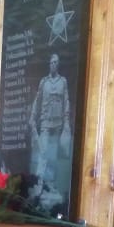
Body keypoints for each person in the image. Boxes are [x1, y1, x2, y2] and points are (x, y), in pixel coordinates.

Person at [27, 53, 72, 189]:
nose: (53, 65)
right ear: (49, 64)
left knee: (54, 154)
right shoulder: (44, 82)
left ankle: (51, 184)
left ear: (58, 65)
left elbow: (66, 101)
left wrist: (66, 122)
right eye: (51, 62)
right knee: (43, 151)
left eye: (55, 62)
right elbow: (37, 100)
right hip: (45, 121)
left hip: (58, 123)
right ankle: (39, 182)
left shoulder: (62, 81)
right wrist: (32, 117)